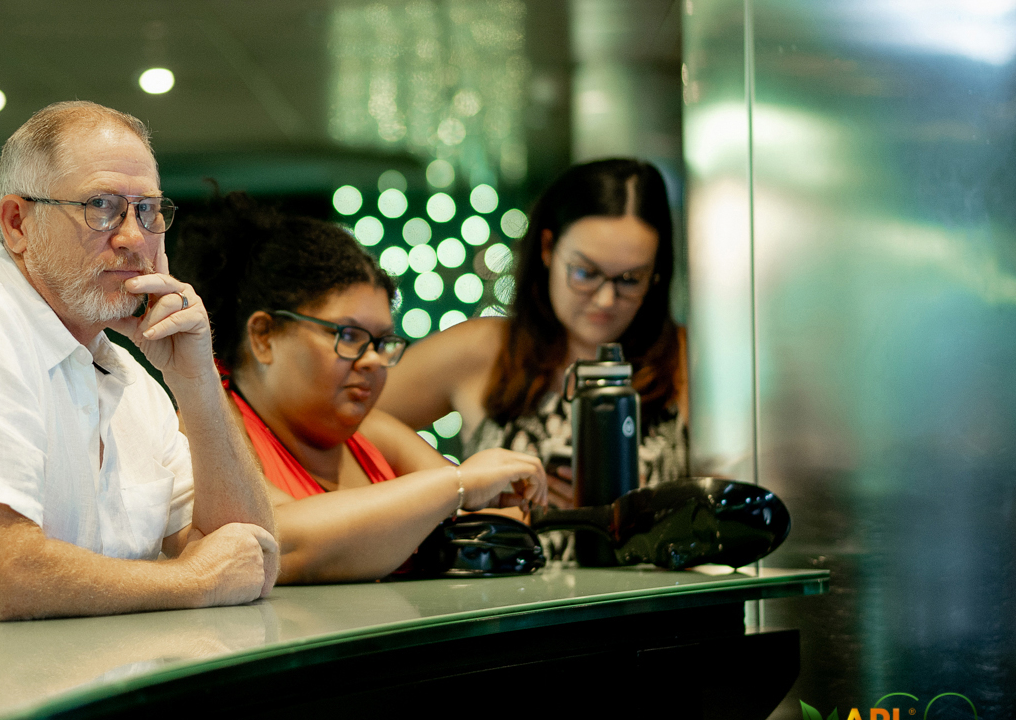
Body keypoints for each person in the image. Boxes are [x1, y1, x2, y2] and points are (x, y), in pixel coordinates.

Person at [0, 101, 278, 625]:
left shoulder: (129, 376)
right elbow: (4, 575)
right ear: (17, 223)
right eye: (101, 206)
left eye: (148, 210)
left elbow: (251, 556)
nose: (133, 237)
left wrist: (194, 381)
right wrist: (195, 580)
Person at [168, 192, 546, 584]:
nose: (373, 361)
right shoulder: (202, 430)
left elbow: (492, 517)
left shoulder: (375, 434)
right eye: (348, 336)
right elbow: (275, 541)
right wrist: (459, 484)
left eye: (382, 343)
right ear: (264, 336)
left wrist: (473, 490)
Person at [378, 159, 688, 530]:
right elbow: (348, 418)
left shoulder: (685, 358)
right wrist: (456, 486)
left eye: (630, 279)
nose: (605, 299)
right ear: (547, 248)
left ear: (656, 273)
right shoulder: (486, 348)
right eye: (585, 273)